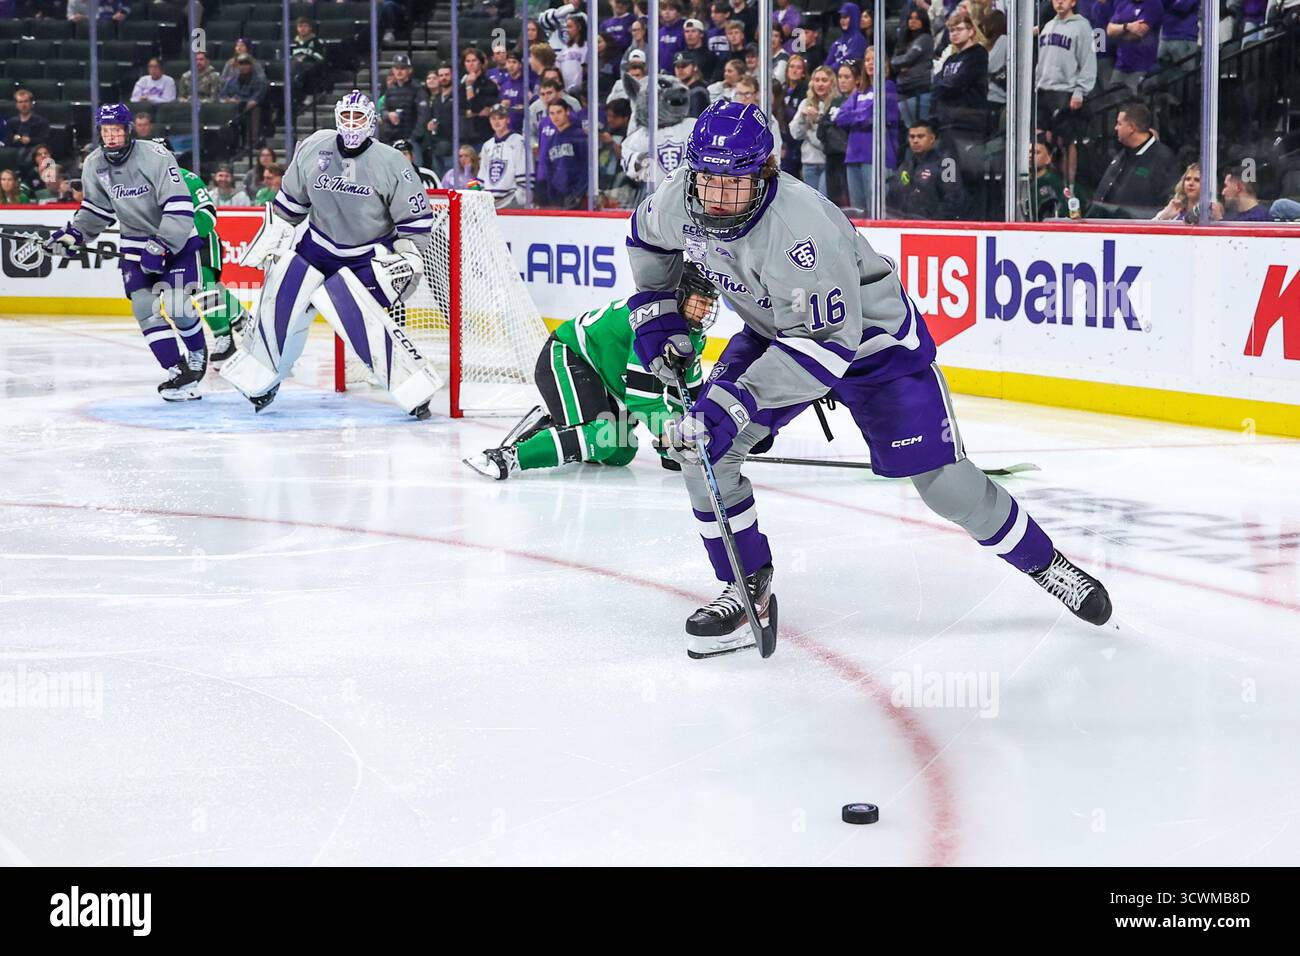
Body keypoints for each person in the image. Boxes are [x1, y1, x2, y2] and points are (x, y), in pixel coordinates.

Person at [624, 99, 1112, 656]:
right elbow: (647, 243)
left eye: (730, 183)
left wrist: (734, 405)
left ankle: (1047, 565)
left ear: (764, 173)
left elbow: (826, 349)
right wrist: (661, 316)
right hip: (778, 329)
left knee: (945, 487)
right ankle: (746, 586)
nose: (714, 197)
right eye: (705, 179)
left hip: (871, 348)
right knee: (702, 451)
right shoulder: (679, 197)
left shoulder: (801, 231)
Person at [218, 91, 438, 418]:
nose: (351, 125)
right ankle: (264, 380)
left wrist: (408, 258)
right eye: (346, 117)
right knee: (280, 300)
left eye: (358, 118)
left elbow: (415, 223)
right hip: (317, 247)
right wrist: (275, 234)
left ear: (370, 121)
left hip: (366, 256)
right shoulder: (314, 147)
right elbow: (290, 205)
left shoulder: (391, 162)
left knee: (358, 320)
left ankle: (413, 389)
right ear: (337, 118)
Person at [463, 260, 716, 480]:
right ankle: (511, 457)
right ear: (680, 295)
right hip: (568, 356)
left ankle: (558, 426)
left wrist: (679, 443)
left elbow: (688, 398)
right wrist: (673, 434)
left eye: (710, 304)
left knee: (621, 451)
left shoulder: (693, 335)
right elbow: (643, 401)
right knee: (603, 436)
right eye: (702, 302)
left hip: (607, 381)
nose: (706, 311)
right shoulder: (654, 324)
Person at [45, 105, 210, 401]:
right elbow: (96, 210)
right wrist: (74, 234)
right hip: (135, 242)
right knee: (143, 308)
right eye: (105, 132)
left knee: (176, 305)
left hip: (176, 240)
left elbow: (179, 206)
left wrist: (161, 244)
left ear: (128, 130)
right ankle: (177, 371)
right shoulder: (94, 163)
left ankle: (197, 351)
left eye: (116, 131)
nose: (111, 138)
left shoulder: (157, 157)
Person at [152, 137, 252, 367]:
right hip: (174, 247)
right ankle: (241, 321)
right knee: (211, 289)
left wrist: (181, 236)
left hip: (201, 242)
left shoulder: (187, 179)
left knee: (204, 286)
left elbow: (207, 215)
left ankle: (223, 338)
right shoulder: (147, 186)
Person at [1036, 0, 1097, 189]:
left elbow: (1088, 61)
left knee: (1066, 142)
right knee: (1040, 139)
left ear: (1073, 2)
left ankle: (1068, 187)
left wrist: (1080, 91)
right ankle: (1046, 183)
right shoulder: (1048, 26)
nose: (1059, 2)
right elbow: (1042, 60)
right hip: (1044, 90)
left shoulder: (1082, 26)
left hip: (1066, 91)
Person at [1088, 101, 1179, 218]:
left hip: (1139, 231)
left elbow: (1169, 200)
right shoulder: (1123, 154)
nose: (1115, 128)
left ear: (1131, 127)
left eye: (1119, 124)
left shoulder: (1163, 158)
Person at [836, 46, 899, 213]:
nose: (871, 63)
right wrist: (860, 116)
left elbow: (871, 116)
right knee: (858, 210)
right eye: (868, 59)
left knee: (876, 208)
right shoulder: (859, 91)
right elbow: (840, 117)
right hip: (853, 155)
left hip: (876, 155)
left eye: (875, 59)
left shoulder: (888, 86)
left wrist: (855, 116)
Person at [886, 119, 967, 218]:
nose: (915, 141)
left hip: (933, 227)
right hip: (904, 225)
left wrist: (931, 222)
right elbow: (893, 197)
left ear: (932, 138)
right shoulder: (906, 165)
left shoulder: (946, 164)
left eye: (920, 136)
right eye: (912, 137)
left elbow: (953, 200)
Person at [789, 64, 836, 196]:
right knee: (812, 204)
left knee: (823, 203)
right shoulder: (805, 103)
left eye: (824, 80)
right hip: (808, 162)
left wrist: (817, 121)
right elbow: (795, 133)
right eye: (816, 80)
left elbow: (827, 142)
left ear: (831, 83)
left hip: (827, 163)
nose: (820, 84)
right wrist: (802, 118)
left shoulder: (834, 104)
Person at [536, 99, 588, 209]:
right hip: (557, 197)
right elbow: (548, 168)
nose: (555, 117)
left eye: (559, 112)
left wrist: (578, 193)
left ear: (567, 112)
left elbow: (587, 167)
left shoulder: (578, 136)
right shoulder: (550, 140)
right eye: (552, 113)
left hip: (576, 196)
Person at [1106, 0, 1165, 91]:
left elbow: (1138, 34)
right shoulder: (1123, 3)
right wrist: (1127, 26)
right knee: (1115, 101)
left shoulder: (1153, 3)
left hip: (1143, 67)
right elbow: (1109, 29)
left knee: (1138, 103)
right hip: (1121, 65)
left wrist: (1117, 34)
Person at [893, 6, 935, 132]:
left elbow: (907, 59)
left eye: (917, 18)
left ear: (923, 21)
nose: (912, 21)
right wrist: (899, 62)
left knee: (922, 130)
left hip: (920, 89)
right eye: (910, 18)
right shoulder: (904, 41)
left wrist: (900, 62)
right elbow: (894, 60)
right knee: (909, 131)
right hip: (903, 90)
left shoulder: (925, 38)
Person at [478, 105, 527, 208]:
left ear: (508, 120)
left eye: (501, 118)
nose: (497, 122)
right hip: (489, 203)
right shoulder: (487, 145)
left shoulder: (518, 141)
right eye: (493, 118)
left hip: (511, 200)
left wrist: (520, 197)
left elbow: (523, 170)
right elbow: (483, 172)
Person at [378, 53, 425, 151]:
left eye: (402, 68)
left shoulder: (417, 89)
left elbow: (423, 116)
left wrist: (413, 138)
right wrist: (388, 115)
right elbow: (382, 110)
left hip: (411, 141)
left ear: (409, 70)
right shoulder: (390, 89)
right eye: (396, 68)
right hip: (392, 139)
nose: (399, 71)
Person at [220, 54, 268, 148]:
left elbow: (258, 97)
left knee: (253, 108)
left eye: (246, 64)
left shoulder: (258, 80)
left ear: (251, 65)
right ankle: (228, 144)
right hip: (234, 107)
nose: (244, 67)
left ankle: (251, 141)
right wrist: (229, 100)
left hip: (249, 107)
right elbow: (223, 94)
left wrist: (245, 101)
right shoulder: (233, 79)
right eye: (241, 64)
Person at [460, 47, 501, 146]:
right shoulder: (460, 85)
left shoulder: (489, 85)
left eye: (474, 60)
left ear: (480, 63)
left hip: (483, 135)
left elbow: (475, 108)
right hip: (464, 135)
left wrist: (469, 87)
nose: (471, 64)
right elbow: (459, 109)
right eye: (467, 61)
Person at [290, 17, 327, 106]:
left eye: (305, 26)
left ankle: (310, 94)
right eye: (300, 26)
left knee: (306, 68)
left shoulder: (316, 41)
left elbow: (320, 57)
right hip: (295, 65)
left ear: (310, 28)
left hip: (311, 65)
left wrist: (306, 57)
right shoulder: (292, 42)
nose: (302, 29)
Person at [7, 90, 49, 167]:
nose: (23, 105)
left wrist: (30, 140)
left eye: (26, 101)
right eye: (20, 102)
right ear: (16, 105)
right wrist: (13, 138)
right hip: (14, 152)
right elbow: (7, 140)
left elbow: (45, 140)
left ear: (31, 104)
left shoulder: (41, 122)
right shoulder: (11, 122)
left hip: (32, 154)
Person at [1032, 135, 1069, 220]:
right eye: (1029, 152)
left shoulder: (1054, 182)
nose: (1030, 155)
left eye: (1036, 152)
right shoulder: (1021, 182)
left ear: (1048, 158)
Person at [826, 3, 867, 73]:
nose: (842, 20)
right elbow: (827, 64)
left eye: (845, 17)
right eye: (841, 17)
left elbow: (849, 61)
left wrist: (829, 70)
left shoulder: (858, 40)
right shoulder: (837, 42)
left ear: (854, 17)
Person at [673, 51, 712, 117]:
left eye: (684, 66)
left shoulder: (699, 91)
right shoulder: (676, 90)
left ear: (695, 67)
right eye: (677, 67)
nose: (680, 70)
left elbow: (694, 121)